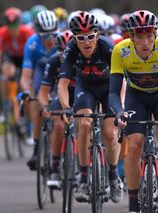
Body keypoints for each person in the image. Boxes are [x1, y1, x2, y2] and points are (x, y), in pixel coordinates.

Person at [109, 10, 158, 213]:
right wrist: (118, 112)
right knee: (134, 145)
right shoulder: (120, 51)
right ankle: (134, 202)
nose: (145, 43)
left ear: (155, 35)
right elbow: (113, 91)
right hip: (137, 97)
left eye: (149, 36)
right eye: (140, 37)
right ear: (131, 37)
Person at [57, 11, 123, 203]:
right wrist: (66, 106)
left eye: (91, 36)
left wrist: (121, 106)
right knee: (84, 125)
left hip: (108, 88)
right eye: (81, 38)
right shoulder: (70, 49)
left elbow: (122, 80)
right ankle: (84, 179)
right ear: (75, 39)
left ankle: (113, 176)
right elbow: (63, 83)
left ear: (98, 35)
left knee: (110, 134)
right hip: (85, 88)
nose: (87, 42)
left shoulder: (107, 47)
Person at [20, 10, 58, 170]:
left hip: (59, 73)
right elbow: (25, 77)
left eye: (53, 35)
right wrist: (27, 92)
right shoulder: (32, 44)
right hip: (41, 72)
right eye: (45, 36)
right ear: (38, 33)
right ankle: (36, 150)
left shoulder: (63, 40)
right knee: (36, 103)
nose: (50, 40)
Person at [38, 30, 74, 186]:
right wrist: (45, 106)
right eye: (61, 53)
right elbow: (43, 92)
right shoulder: (53, 62)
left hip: (80, 97)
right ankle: (55, 166)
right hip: (60, 99)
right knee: (58, 125)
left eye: (67, 53)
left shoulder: (82, 61)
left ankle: (86, 167)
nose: (64, 57)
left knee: (87, 125)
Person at [0, 7, 34, 125]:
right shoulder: (1, 33)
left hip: (26, 58)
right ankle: (5, 108)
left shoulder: (28, 32)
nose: (13, 30)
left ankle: (29, 125)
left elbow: (34, 54)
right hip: (12, 59)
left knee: (27, 89)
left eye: (15, 26)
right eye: (10, 27)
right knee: (5, 73)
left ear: (20, 24)